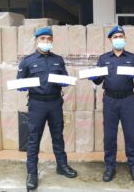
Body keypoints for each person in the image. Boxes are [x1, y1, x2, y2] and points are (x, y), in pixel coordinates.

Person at [17, 27, 77, 190]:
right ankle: (32, 173)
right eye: (42, 38)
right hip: (37, 105)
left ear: (52, 41)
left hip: (55, 103)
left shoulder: (58, 59)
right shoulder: (27, 61)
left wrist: (66, 81)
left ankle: (62, 166)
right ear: (36, 40)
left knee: (58, 136)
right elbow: (19, 80)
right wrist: (21, 86)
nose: (46, 42)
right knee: (33, 139)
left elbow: (64, 76)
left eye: (49, 39)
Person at [89, 25, 134, 182]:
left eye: (121, 37)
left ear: (125, 39)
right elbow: (99, 80)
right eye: (115, 37)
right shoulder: (104, 59)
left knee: (131, 135)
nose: (118, 39)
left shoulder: (132, 58)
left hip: (127, 100)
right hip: (110, 100)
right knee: (109, 136)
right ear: (111, 40)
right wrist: (94, 76)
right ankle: (109, 167)